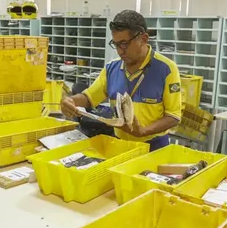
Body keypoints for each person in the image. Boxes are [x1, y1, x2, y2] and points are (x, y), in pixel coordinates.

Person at [60, 10, 182, 151]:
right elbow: (89, 97)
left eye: (124, 44)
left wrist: (143, 131)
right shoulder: (111, 69)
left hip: (154, 146)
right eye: (116, 44)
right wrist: (70, 101)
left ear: (143, 39)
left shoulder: (166, 69)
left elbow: (173, 116)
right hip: (120, 144)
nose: (120, 51)